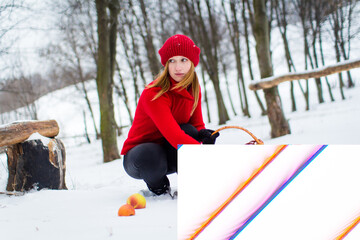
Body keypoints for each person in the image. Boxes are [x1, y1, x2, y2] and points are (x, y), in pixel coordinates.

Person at [121, 34, 219, 196]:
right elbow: (174, 136)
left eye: (183, 60)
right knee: (151, 153)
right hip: (140, 158)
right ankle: (158, 186)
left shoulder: (193, 88)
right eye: (172, 61)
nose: (177, 67)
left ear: (192, 63)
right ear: (166, 65)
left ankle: (194, 182)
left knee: (189, 130)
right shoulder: (154, 93)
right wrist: (205, 158)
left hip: (168, 151)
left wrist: (204, 136)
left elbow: (196, 125)